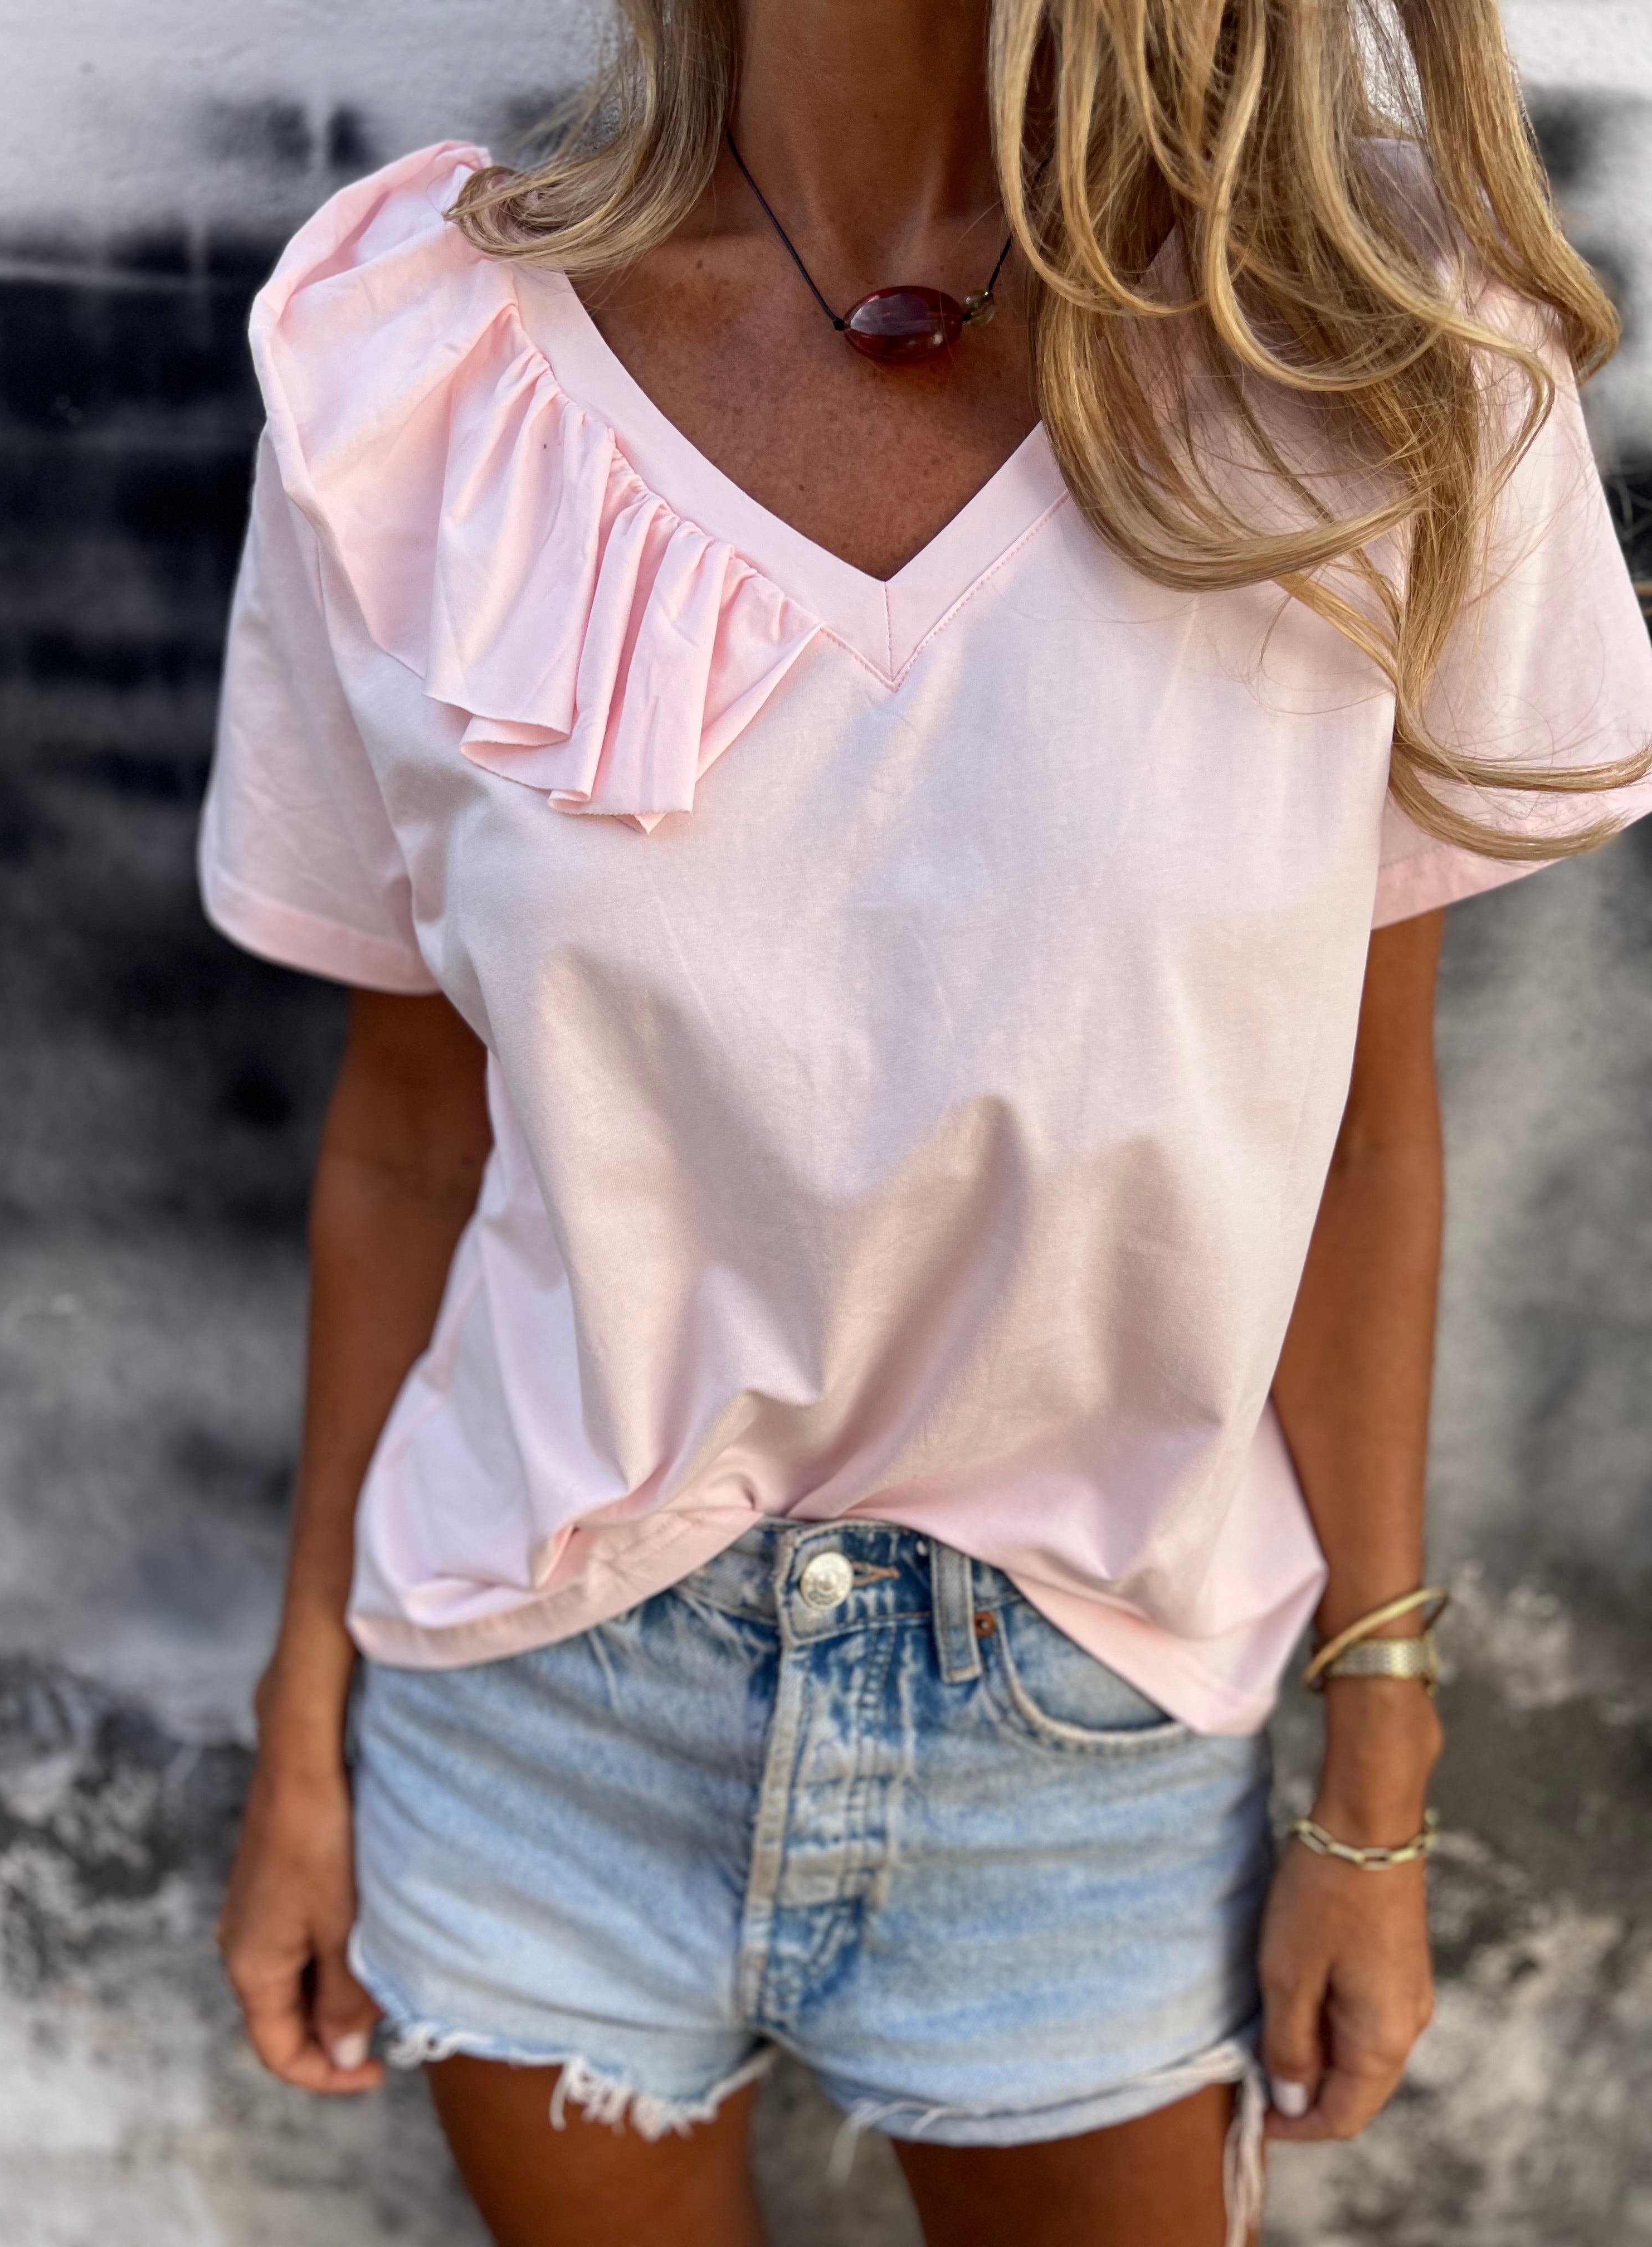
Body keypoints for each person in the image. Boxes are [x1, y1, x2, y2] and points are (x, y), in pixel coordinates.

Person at [203, 2, 1652, 2241]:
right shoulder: (428, 373)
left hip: (1091, 1736)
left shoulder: (1378, 382)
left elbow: (1363, 1140)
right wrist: (305, 1730)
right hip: (536, 1702)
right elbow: (405, 1139)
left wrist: (1378, 1778)